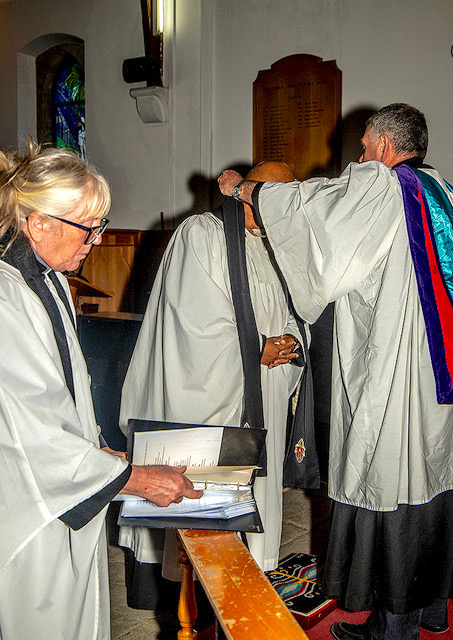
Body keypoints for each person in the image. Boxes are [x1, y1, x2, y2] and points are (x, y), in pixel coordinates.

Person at [218, 104, 453, 640]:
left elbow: (311, 205)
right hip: (437, 371)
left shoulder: (384, 184)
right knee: (433, 476)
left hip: (397, 369)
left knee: (393, 476)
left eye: (365, 147)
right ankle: (432, 606)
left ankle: (393, 629)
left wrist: (245, 189)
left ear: (385, 146)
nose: (359, 158)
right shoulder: (441, 190)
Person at [0, 144, 201, 640]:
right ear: (38, 223)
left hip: (61, 479)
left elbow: (60, 393)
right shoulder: (6, 296)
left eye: (100, 225)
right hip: (28, 506)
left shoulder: (46, 278)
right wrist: (133, 479)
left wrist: (97, 451)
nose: (96, 240)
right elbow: (28, 434)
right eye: (86, 227)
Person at [119, 161, 313, 607]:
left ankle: (247, 583)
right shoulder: (202, 235)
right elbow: (194, 323)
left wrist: (290, 341)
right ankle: (194, 597)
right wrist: (256, 348)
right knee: (201, 510)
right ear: (248, 194)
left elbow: (296, 308)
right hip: (212, 392)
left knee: (252, 506)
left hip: (264, 389)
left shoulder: (279, 245)